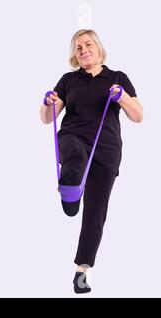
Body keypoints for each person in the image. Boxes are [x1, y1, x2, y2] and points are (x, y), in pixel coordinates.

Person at [39, 29, 143, 294]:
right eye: (77, 47)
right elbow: (47, 118)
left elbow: (138, 115)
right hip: (74, 138)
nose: (83, 50)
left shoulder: (117, 78)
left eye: (87, 45)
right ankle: (71, 190)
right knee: (74, 156)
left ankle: (81, 271)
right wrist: (47, 102)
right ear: (74, 55)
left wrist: (122, 96)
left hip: (106, 150)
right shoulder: (68, 80)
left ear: (98, 48)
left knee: (96, 213)